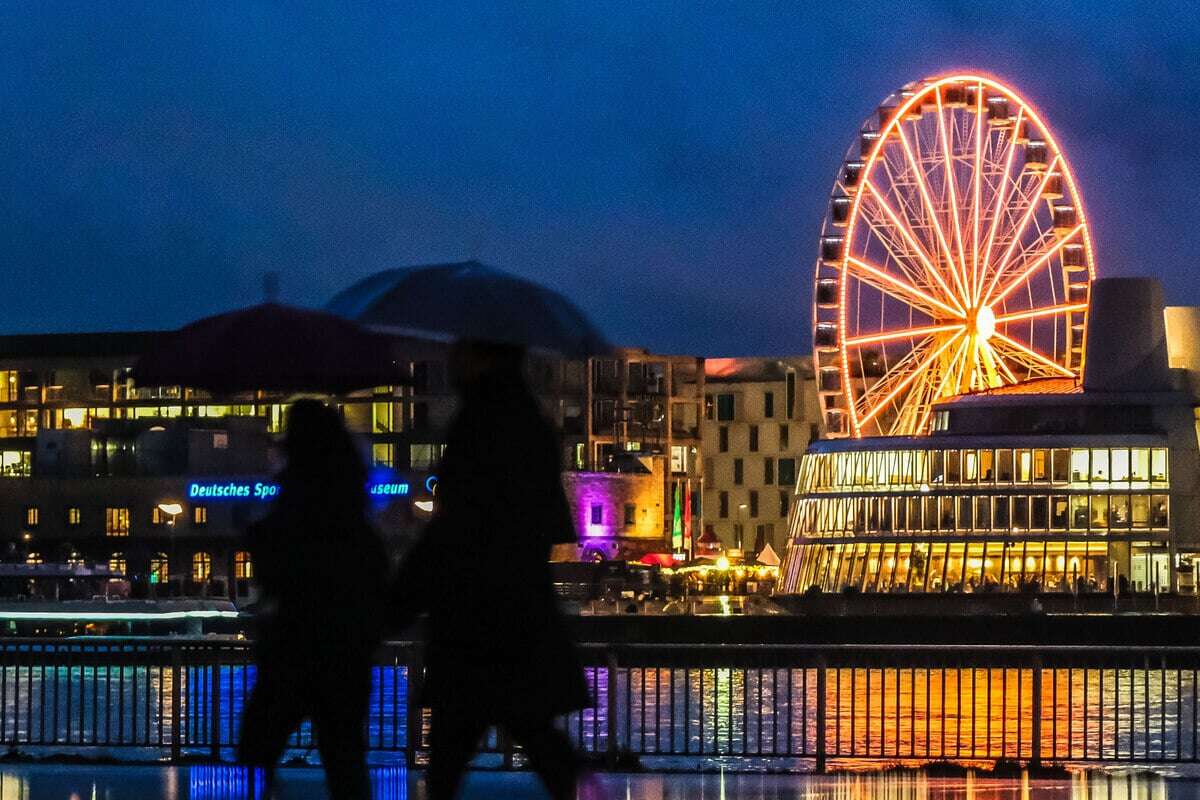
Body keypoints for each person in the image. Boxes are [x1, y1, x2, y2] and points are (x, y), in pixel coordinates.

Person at [393, 340, 589, 800]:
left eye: (463, 351)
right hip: (520, 613)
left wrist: (400, 599)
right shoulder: (529, 425)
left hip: (472, 616)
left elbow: (454, 528)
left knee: (452, 742)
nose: (452, 359)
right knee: (534, 732)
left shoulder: (479, 426)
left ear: (485, 358)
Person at [238, 400, 387, 800]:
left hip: (293, 645)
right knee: (344, 758)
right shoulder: (352, 507)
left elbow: (278, 570)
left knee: (256, 749)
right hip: (346, 651)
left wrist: (251, 532)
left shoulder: (293, 502)